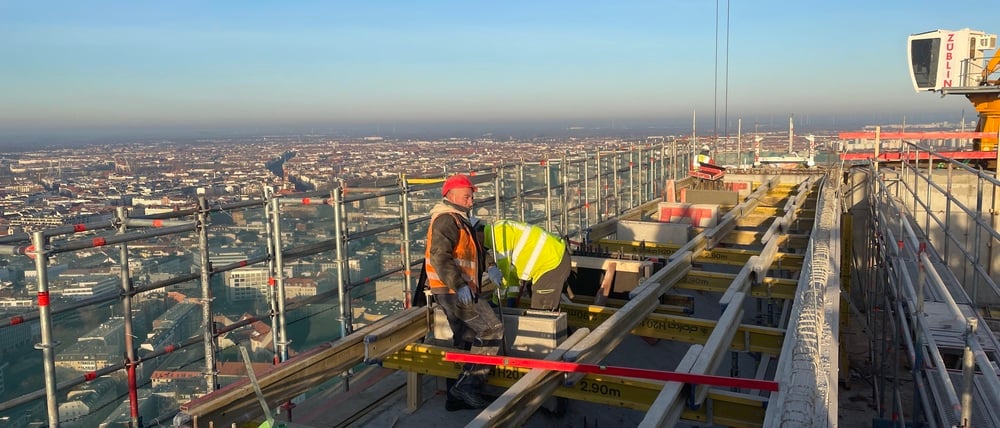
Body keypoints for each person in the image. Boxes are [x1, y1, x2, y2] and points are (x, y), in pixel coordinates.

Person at [424, 174, 504, 411]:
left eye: (471, 197)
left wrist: (490, 266)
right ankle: (467, 386)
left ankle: (455, 398)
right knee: (491, 329)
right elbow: (440, 257)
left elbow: (475, 250)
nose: (471, 201)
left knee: (466, 338)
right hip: (453, 290)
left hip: (458, 289)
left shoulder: (461, 220)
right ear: (450, 196)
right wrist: (459, 284)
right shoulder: (446, 220)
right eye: (467, 197)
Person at [482, 219, 571, 311]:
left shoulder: (498, 236)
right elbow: (511, 274)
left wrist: (495, 301)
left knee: (542, 313)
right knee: (538, 307)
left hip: (552, 264)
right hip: (553, 259)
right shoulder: (496, 229)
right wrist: (512, 298)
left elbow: (502, 276)